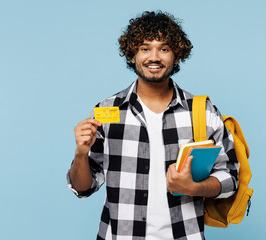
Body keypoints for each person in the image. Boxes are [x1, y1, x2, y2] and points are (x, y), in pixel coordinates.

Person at [67, 11, 239, 240]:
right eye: (145, 48)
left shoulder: (203, 112)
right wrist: (81, 154)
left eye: (164, 48)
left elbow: (230, 178)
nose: (154, 57)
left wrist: (195, 188)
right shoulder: (107, 112)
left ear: (177, 56)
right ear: (132, 55)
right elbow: (83, 188)